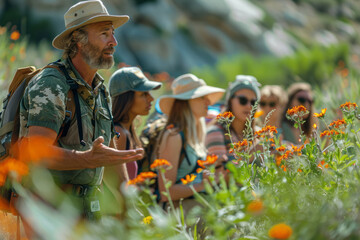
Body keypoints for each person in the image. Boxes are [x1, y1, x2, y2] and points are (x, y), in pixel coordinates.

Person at [18, 0, 143, 231]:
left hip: (89, 214)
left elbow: (109, 152)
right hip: (49, 214)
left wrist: (129, 205)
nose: (114, 42)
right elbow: (35, 152)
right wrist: (86, 158)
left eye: (113, 34)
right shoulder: (51, 85)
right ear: (78, 39)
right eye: (104, 33)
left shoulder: (100, 88)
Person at [155, 73, 226, 211]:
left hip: (194, 211)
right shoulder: (174, 136)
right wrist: (202, 186)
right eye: (201, 98)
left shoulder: (197, 132)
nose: (209, 102)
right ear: (185, 102)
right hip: (178, 215)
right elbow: (166, 192)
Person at [101, 67, 161, 216]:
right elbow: (114, 184)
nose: (151, 98)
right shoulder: (119, 133)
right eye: (143, 94)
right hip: (118, 215)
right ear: (126, 99)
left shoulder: (128, 132)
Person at [205, 75, 262, 162]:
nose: (249, 106)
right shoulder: (215, 133)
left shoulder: (259, 134)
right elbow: (219, 173)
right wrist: (252, 154)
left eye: (253, 102)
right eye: (243, 100)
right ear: (230, 101)